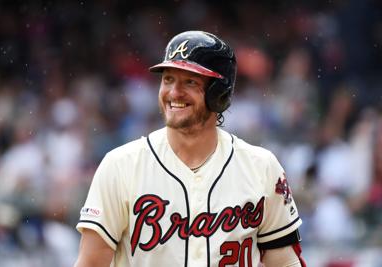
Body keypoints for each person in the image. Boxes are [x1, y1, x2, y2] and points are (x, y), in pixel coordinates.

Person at [73, 30, 306, 267]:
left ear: (219, 94)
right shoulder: (120, 166)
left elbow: (285, 262)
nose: (174, 92)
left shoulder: (261, 167)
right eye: (168, 79)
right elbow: (91, 263)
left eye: (190, 81)